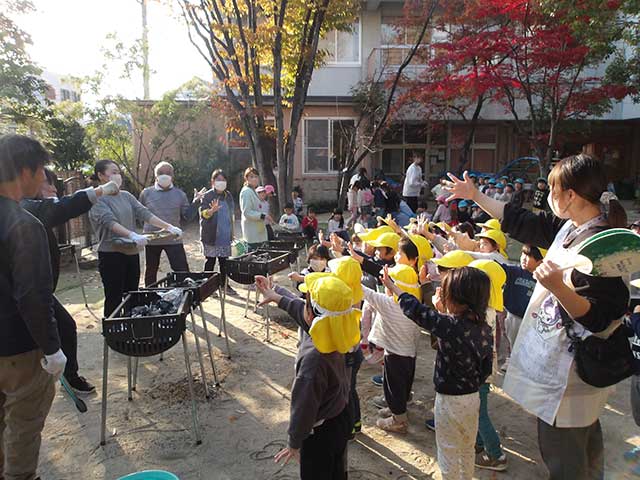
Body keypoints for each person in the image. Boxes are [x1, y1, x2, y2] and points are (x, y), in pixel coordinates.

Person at [445, 154, 630, 480]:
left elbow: (602, 316)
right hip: (567, 369)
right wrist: (475, 196)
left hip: (571, 376)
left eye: (553, 189)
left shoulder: (600, 244)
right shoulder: (574, 226)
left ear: (570, 195)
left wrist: (558, 287)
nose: (548, 194)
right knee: (583, 448)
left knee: (566, 457)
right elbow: (523, 222)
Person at [384, 265, 493, 480]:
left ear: (455, 298)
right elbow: (485, 368)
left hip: (449, 401)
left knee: (448, 451)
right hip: (472, 399)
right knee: (466, 448)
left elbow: (417, 310)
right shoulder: (484, 328)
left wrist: (392, 287)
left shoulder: (449, 326)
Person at [0, 134, 67, 480]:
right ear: (24, 170)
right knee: (23, 428)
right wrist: (53, 348)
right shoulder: (24, 224)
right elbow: (33, 296)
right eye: (41, 169)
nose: (44, 177)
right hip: (19, 350)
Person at [22, 167, 119, 394]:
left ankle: (70, 376)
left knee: (65, 326)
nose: (54, 188)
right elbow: (60, 208)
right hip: (26, 294)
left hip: (40, 291)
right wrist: (98, 192)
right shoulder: (23, 208)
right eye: (48, 183)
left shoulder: (32, 210)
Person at [272, 274, 360, 479]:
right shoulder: (343, 329)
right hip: (341, 416)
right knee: (337, 469)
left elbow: (304, 406)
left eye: (306, 302)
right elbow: (301, 310)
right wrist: (276, 294)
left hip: (320, 433)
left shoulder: (313, 360)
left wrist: (294, 442)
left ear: (311, 315)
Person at [89, 159, 182, 317]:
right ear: (101, 176)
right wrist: (131, 234)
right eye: (113, 172)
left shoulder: (126, 196)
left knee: (132, 295)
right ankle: (114, 336)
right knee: (114, 298)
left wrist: (168, 227)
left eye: (119, 172)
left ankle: (132, 334)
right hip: (112, 255)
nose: (118, 176)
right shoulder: (96, 199)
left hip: (131, 253)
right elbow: (109, 222)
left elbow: (144, 213)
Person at [365, 261, 422, 433]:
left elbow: (364, 292)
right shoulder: (415, 305)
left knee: (393, 387)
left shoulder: (388, 304)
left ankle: (399, 421)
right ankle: (398, 408)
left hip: (395, 356)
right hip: (410, 354)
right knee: (403, 385)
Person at [139, 161, 194, 286]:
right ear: (155, 176)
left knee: (182, 272)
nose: (164, 175)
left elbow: (187, 216)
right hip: (152, 239)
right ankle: (149, 298)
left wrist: (196, 203)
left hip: (173, 239)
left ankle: (185, 298)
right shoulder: (146, 193)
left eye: (168, 173)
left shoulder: (180, 194)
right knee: (150, 271)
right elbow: (140, 213)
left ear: (173, 176)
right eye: (161, 173)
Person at [500, 244, 544, 367]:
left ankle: (522, 364)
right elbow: (498, 267)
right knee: (512, 339)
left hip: (533, 319)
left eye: (529, 256)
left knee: (528, 344)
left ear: (540, 261)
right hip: (514, 316)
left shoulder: (543, 278)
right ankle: (512, 362)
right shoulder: (516, 271)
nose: (524, 258)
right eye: (523, 254)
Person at [200, 169, 238, 296]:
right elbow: (203, 214)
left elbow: (231, 215)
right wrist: (211, 211)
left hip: (224, 234)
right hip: (211, 234)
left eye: (223, 180)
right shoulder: (208, 195)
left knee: (224, 262)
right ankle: (207, 287)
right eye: (218, 180)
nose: (221, 182)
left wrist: (232, 232)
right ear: (212, 181)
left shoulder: (228, 196)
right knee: (210, 261)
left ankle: (224, 284)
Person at [239, 167, 271, 249]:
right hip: (252, 233)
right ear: (246, 178)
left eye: (256, 176)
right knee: (254, 256)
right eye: (251, 177)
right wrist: (263, 216)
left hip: (258, 230)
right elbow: (247, 212)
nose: (254, 179)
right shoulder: (246, 192)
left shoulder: (253, 190)